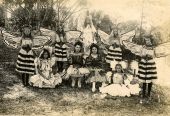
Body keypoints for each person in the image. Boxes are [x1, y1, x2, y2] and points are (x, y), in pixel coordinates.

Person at [138, 35, 157, 103]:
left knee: (149, 79)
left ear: (151, 41)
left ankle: (148, 93)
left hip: (150, 64)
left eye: (149, 40)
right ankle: (143, 93)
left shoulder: (153, 48)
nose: (147, 42)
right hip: (144, 63)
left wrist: (150, 56)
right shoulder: (143, 47)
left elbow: (155, 55)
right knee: (144, 79)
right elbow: (140, 55)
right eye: (146, 40)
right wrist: (144, 55)